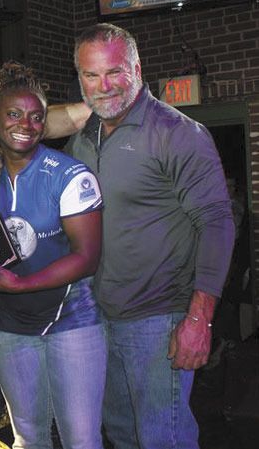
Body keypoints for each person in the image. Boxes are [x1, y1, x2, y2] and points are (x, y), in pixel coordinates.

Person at [57, 23, 235, 449]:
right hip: (100, 321)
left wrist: (199, 319)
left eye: (114, 72)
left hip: (159, 321)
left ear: (137, 68)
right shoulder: (84, 139)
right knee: (120, 436)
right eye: (91, 75)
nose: (103, 86)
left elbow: (216, 222)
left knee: (163, 439)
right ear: (79, 79)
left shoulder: (177, 133)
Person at [0, 61, 105, 449]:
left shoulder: (70, 175)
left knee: (81, 441)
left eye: (37, 116)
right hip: (11, 327)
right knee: (28, 438)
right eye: (15, 114)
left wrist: (21, 284)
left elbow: (86, 257)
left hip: (72, 321)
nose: (26, 124)